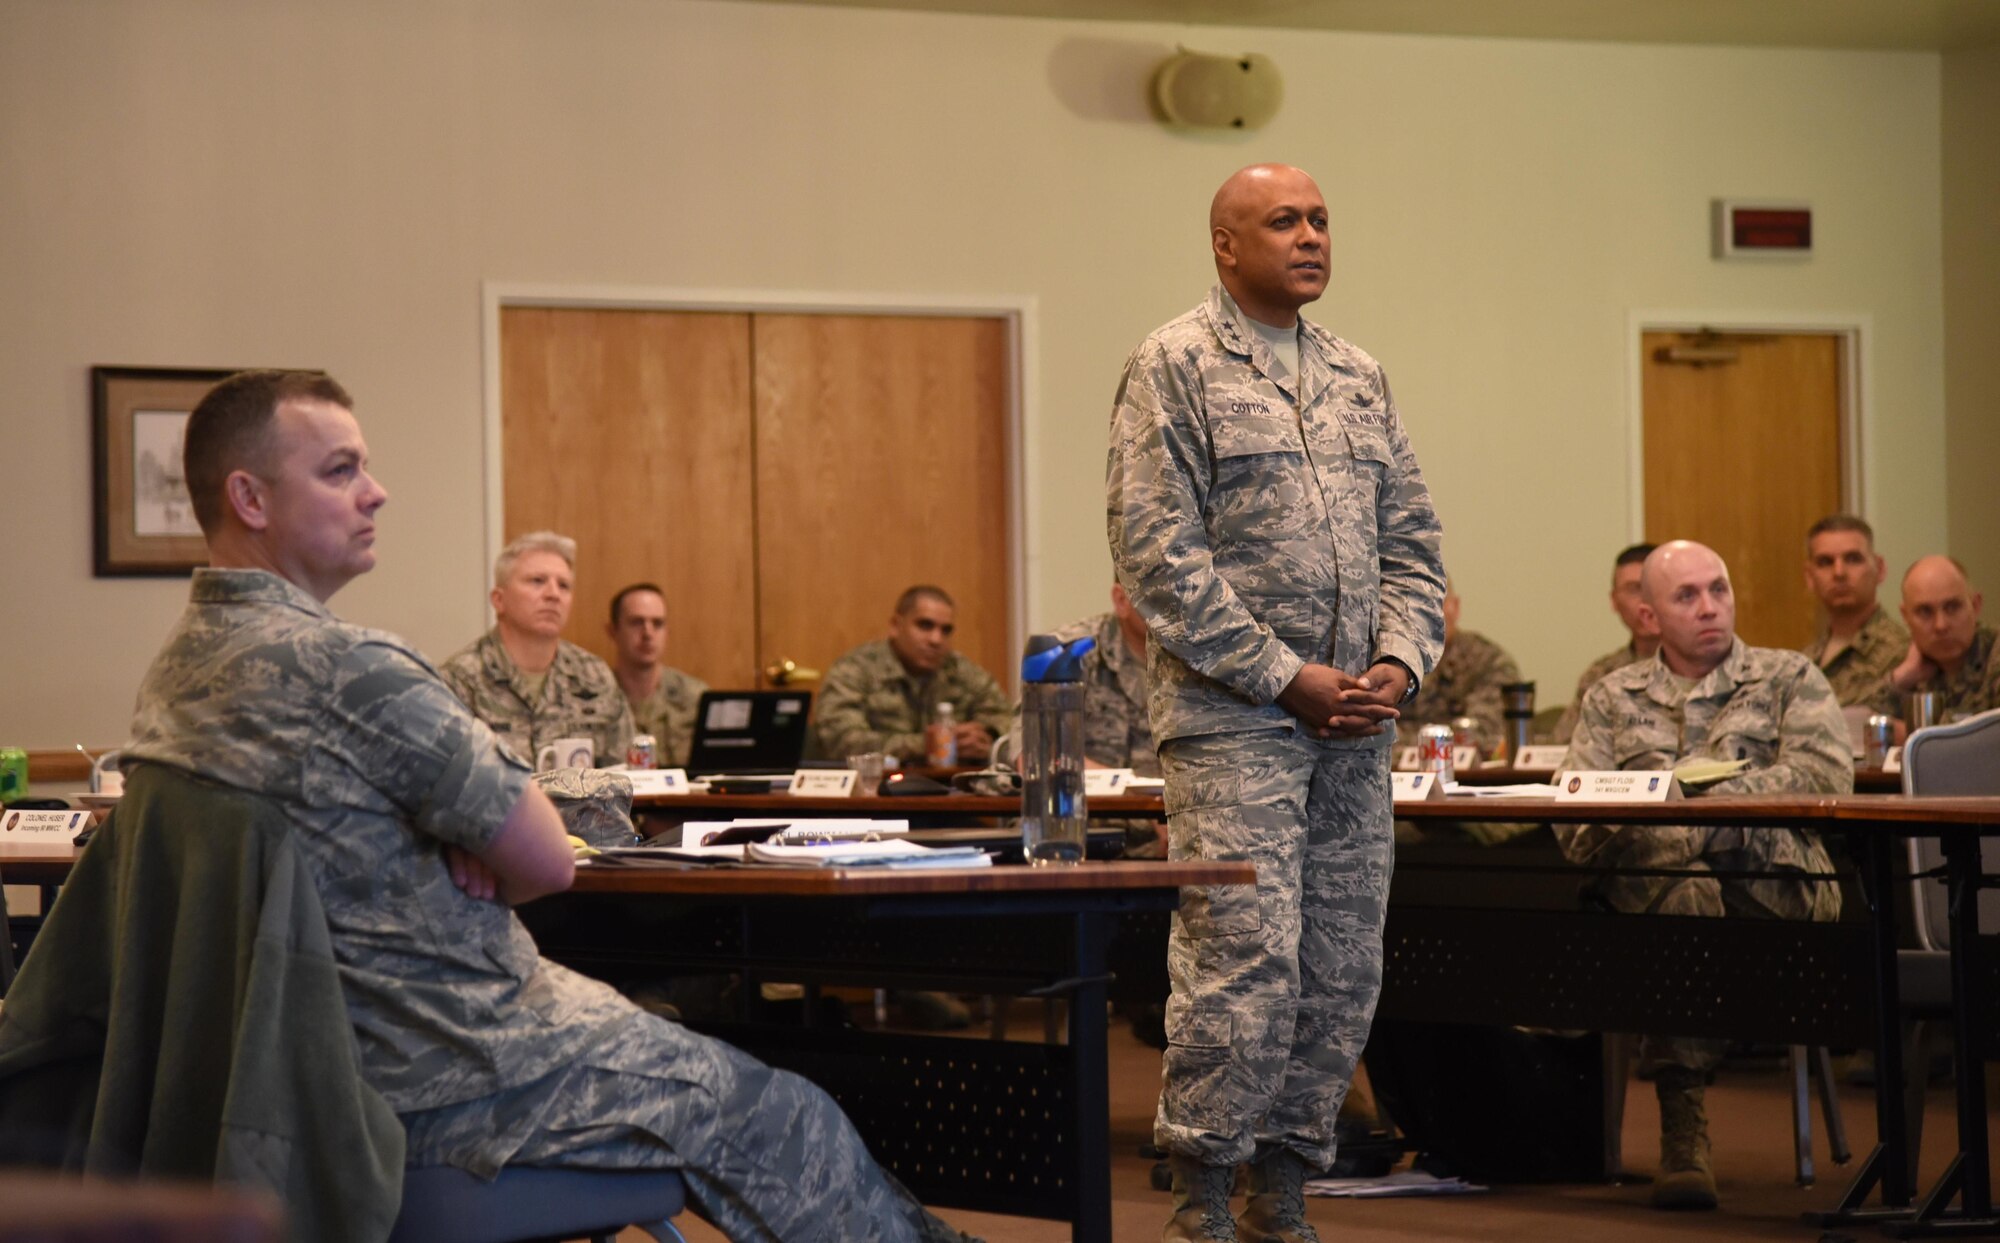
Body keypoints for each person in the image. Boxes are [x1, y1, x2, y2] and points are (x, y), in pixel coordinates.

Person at [121, 369, 976, 1242]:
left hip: (286, 1076)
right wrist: (486, 844)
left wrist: (465, 838)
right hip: (455, 1069)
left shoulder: (176, 677)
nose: (377, 491)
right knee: (786, 1114)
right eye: (340, 470)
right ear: (249, 498)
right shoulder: (354, 670)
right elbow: (548, 858)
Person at [1106, 163, 1445, 1243]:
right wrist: (1281, 674)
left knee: (1340, 964)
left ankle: (1284, 1189)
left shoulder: (1357, 374)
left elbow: (1413, 547)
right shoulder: (1175, 365)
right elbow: (1157, 558)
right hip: (1236, 721)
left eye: (1319, 219)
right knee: (1242, 958)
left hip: (1352, 724)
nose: (1308, 236)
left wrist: (1396, 662)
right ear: (1224, 244)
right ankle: (1203, 1193)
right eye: (1282, 220)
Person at [1561, 540, 1848, 1212]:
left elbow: (1823, 778)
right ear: (1647, 616)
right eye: (1686, 596)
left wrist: (1686, 812)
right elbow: (1577, 819)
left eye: (1718, 588)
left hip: (1777, 887)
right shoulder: (1612, 697)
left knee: (1676, 872)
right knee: (1682, 884)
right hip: (1663, 899)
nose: (1710, 606)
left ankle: (1682, 1120)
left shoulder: (1788, 677)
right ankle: (1684, 1122)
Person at [994, 583, 1162, 855]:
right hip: (1075, 835)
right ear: (1121, 600)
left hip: (1166, 837)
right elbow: (1036, 757)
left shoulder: (1195, 655)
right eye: (1157, 590)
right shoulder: (1069, 652)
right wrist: (1141, 794)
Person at [439, 532, 633, 767]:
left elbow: (627, 775)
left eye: (564, 585)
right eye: (537, 581)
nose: (553, 594)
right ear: (499, 600)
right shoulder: (460, 680)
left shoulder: (594, 676)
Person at [812, 585, 1010, 765]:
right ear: (896, 625)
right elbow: (840, 741)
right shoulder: (855, 670)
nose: (936, 639)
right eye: (925, 626)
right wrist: (924, 745)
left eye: (946, 630)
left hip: (951, 792)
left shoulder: (960, 670)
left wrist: (987, 739)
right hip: (874, 793)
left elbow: (1008, 722)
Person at [1866, 554, 1997, 724]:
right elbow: (1854, 725)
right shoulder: (1901, 658)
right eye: (1925, 611)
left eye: (1952, 607)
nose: (1940, 625)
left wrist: (1912, 735)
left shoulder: (1995, 653)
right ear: (1905, 616)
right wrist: (1902, 677)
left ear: (1976, 605)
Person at [1553, 543, 1659, 743]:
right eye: (1633, 589)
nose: (1645, 601)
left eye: (1654, 588)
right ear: (1614, 600)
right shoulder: (1602, 675)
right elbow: (1565, 747)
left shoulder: (1702, 667)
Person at [1800, 515, 1910, 707]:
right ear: (1810, 577)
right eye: (1825, 562)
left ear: (1880, 569)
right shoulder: (1803, 663)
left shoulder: (1905, 654)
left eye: (1853, 559)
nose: (1839, 572)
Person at [1401, 579, 1520, 753]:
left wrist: (1407, 745)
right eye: (1416, 606)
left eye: (1436, 603)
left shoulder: (1488, 662)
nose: (1428, 616)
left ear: (1455, 607)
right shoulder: (1386, 664)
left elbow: (1481, 737)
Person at [606, 582, 708, 767]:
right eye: (636, 622)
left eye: (657, 623)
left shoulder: (695, 698)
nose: (648, 633)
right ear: (613, 631)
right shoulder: (596, 695)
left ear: (667, 632)